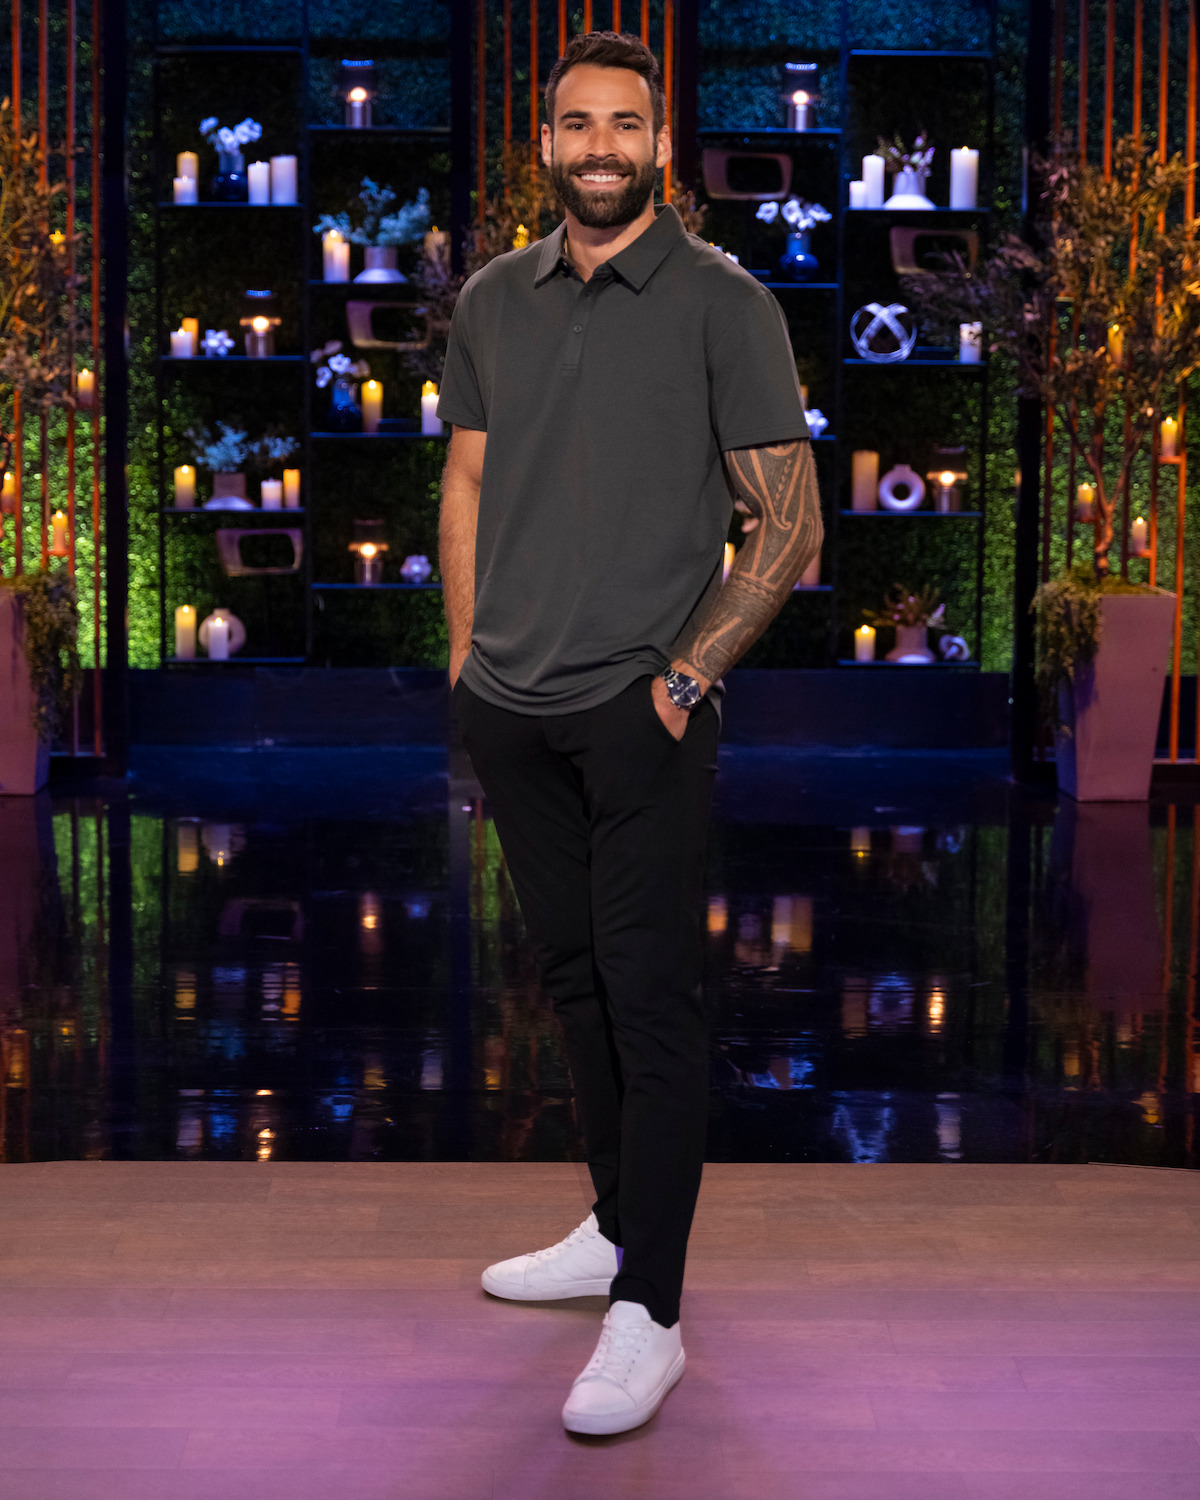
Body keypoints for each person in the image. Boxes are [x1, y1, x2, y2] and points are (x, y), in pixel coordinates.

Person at [437, 28, 822, 1437]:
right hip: (513, 708)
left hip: (640, 708)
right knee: (579, 982)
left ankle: (648, 1311)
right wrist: (468, 663)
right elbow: (467, 484)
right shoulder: (492, 299)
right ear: (543, 145)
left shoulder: (725, 303)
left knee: (653, 1002)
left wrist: (681, 678)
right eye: (574, 124)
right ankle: (611, 1229)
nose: (599, 145)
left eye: (625, 124)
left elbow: (789, 525)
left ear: (659, 145)